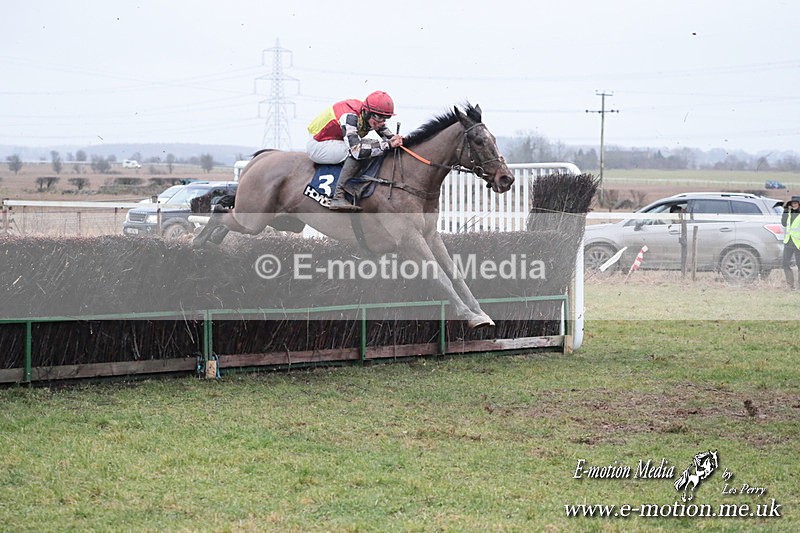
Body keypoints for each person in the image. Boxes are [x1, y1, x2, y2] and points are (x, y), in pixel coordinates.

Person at [306, 91, 404, 211]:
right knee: (359, 151)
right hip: (318, 144)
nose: (381, 122)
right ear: (367, 113)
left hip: (336, 140)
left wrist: (399, 141)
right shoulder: (350, 116)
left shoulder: (370, 115)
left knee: (372, 145)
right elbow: (356, 151)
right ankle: (338, 196)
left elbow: (389, 138)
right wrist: (388, 144)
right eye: (379, 117)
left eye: (386, 118)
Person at [782, 195, 800, 289]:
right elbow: (784, 223)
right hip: (788, 242)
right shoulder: (789, 213)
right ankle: (790, 285)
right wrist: (785, 211)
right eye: (793, 203)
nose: (794, 205)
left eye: (796, 203)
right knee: (785, 263)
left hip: (798, 243)